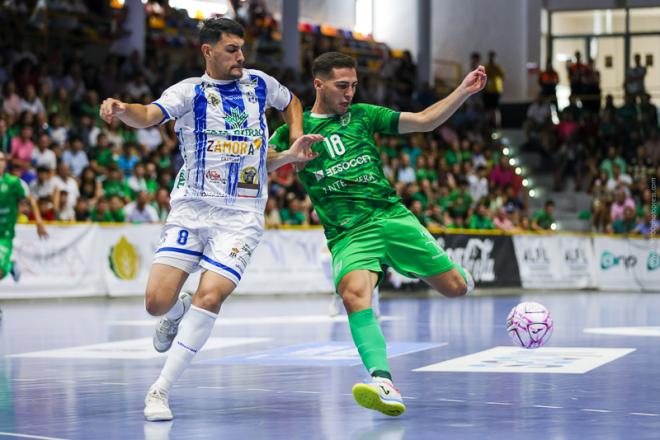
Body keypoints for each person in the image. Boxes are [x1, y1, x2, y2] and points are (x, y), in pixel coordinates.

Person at [99, 18, 320, 422]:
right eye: (232, 49)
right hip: (192, 208)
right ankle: (176, 310)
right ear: (208, 51)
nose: (241, 57)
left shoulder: (258, 83)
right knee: (155, 303)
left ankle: (159, 390)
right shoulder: (188, 92)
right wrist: (120, 108)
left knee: (211, 296)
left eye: (242, 49)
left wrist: (294, 139)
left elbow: (291, 102)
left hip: (242, 215)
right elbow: (148, 115)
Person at [269, 52, 486, 417]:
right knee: (353, 295)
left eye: (353, 85)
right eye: (342, 86)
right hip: (348, 232)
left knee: (456, 288)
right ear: (318, 84)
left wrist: (462, 91)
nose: (350, 93)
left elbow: (423, 121)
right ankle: (382, 380)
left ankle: (444, 272)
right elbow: (262, 162)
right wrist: (290, 155)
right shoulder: (296, 129)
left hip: (390, 216)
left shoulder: (365, 115)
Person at [0, 151, 48, 319]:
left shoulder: (13, 183)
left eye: (1, 160)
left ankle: (9, 266)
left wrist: (39, 222)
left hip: (4, 234)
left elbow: (30, 200)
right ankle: (11, 264)